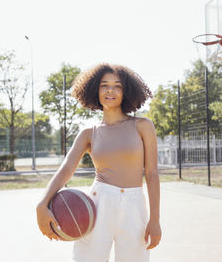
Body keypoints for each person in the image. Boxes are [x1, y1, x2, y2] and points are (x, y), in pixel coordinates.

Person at [36, 63, 162, 262]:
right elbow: (67, 169)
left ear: (126, 91)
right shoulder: (89, 133)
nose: (110, 90)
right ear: (95, 89)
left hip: (134, 205)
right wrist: (42, 204)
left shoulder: (143, 126)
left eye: (117, 86)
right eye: (104, 85)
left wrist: (155, 219)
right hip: (98, 204)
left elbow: (152, 173)